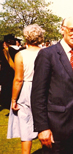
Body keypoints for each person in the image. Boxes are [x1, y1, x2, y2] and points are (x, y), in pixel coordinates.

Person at [31, 17, 73, 154]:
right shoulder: (47, 54)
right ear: (62, 30)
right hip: (56, 126)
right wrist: (42, 128)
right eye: (72, 29)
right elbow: (38, 94)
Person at [7, 24, 44, 154]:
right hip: (43, 89)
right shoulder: (46, 52)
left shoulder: (20, 55)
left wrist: (13, 100)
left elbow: (18, 79)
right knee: (44, 125)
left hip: (26, 90)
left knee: (25, 127)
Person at [0, 34, 19, 109]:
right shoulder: (18, 50)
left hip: (4, 73)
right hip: (14, 72)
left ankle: (5, 103)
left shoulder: (4, 51)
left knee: (5, 88)